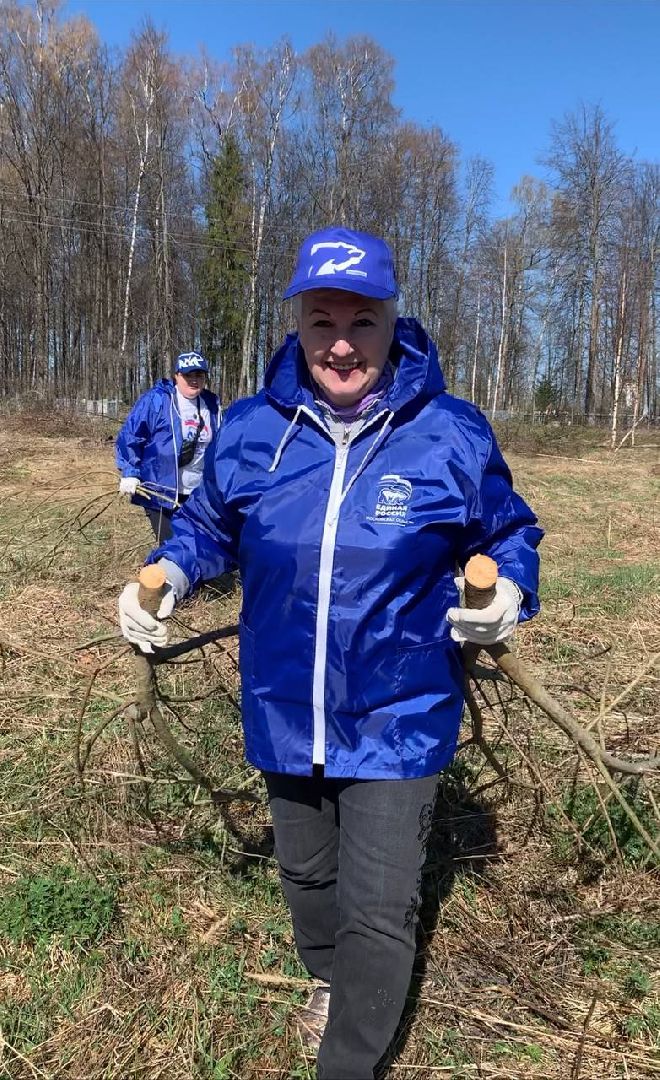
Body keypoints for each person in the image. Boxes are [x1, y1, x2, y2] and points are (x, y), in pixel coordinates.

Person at [118, 227, 543, 1079]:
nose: (341, 343)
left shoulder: (450, 433)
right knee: (307, 875)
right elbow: (210, 526)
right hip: (283, 703)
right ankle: (324, 977)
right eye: (322, 321)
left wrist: (507, 593)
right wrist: (165, 569)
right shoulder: (248, 430)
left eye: (362, 321)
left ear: (393, 324)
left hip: (401, 712)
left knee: (378, 911)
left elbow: (508, 529)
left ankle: (346, 1064)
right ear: (297, 326)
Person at [115, 351, 221, 542]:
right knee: (172, 546)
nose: (194, 380)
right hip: (160, 489)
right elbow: (131, 435)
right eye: (188, 375)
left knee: (197, 546)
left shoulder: (211, 404)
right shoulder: (158, 400)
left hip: (197, 491)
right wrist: (130, 472)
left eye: (199, 375)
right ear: (176, 376)